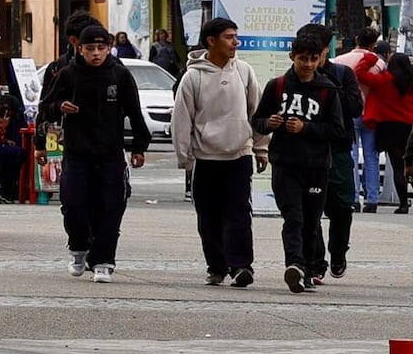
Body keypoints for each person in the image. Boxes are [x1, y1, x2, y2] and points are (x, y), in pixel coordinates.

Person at [35, 25, 150, 283]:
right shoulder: (67, 74)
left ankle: (103, 260)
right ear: (80, 49)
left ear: (108, 48)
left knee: (111, 207)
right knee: (74, 205)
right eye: (90, 49)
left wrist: (139, 147)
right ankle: (78, 248)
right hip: (77, 153)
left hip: (110, 154)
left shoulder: (120, 75)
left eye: (101, 48)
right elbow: (46, 108)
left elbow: (134, 112)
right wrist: (44, 134)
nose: (96, 54)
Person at [171, 17, 269, 288]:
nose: (235, 43)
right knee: (209, 216)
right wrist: (185, 158)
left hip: (239, 155)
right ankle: (216, 266)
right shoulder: (193, 77)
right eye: (228, 37)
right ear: (211, 41)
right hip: (206, 158)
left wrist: (261, 148)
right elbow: (181, 120)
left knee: (239, 213)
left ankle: (241, 266)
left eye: (235, 37)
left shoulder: (244, 71)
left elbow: (256, 111)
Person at [252, 34, 344, 294]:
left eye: (313, 59)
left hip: (316, 167)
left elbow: (337, 130)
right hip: (285, 164)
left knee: (311, 220)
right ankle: (295, 264)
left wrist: (306, 127)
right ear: (292, 56)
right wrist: (269, 123)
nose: (308, 64)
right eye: (303, 58)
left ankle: (309, 268)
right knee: (293, 216)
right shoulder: (277, 86)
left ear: (320, 59)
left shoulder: (328, 90)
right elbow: (257, 120)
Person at [298, 24, 362, 282]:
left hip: (338, 149)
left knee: (342, 208)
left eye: (317, 52)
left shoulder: (343, 74)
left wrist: (328, 85)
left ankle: (338, 251)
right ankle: (315, 262)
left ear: (326, 50)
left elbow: (356, 108)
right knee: (309, 210)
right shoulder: (296, 77)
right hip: (307, 151)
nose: (311, 59)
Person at [353, 47, 413, 214]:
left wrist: (372, 58)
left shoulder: (384, 80)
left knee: (397, 167)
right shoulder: (411, 83)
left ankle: (403, 204)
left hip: (389, 128)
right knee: (410, 165)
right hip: (409, 127)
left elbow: (360, 73)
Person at [333, 27, 385, 212]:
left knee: (351, 154)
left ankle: (353, 197)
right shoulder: (379, 63)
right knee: (371, 155)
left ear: (356, 39)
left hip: (348, 112)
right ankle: (372, 199)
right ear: (374, 44)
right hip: (371, 114)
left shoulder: (339, 61)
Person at [39, 10, 102, 102]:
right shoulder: (58, 68)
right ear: (73, 40)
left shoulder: (115, 68)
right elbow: (45, 107)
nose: (96, 52)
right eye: (88, 39)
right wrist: (60, 106)